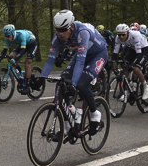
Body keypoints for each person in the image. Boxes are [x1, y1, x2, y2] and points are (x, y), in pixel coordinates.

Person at [32, 10, 108, 138]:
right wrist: (41, 77)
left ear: (71, 26)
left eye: (63, 29)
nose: (60, 33)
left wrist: (73, 84)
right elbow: (50, 59)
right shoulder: (57, 36)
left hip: (98, 54)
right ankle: (67, 128)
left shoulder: (82, 33)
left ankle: (95, 114)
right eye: (57, 29)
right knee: (62, 84)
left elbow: (80, 61)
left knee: (81, 84)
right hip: (81, 54)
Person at [112, 23, 148, 100]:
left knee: (135, 68)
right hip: (132, 49)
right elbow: (115, 52)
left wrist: (133, 64)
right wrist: (112, 61)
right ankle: (126, 92)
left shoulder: (134, 35)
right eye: (119, 35)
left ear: (128, 32)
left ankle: (145, 85)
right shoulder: (118, 37)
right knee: (125, 68)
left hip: (143, 49)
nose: (121, 37)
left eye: (123, 35)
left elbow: (139, 54)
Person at [0, 24, 38, 95]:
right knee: (10, 57)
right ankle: (20, 70)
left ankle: (27, 85)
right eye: (5, 36)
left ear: (12, 34)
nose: (7, 38)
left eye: (8, 36)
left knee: (27, 62)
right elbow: (5, 50)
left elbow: (23, 50)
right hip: (23, 44)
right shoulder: (7, 38)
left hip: (32, 44)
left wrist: (16, 59)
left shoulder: (21, 35)